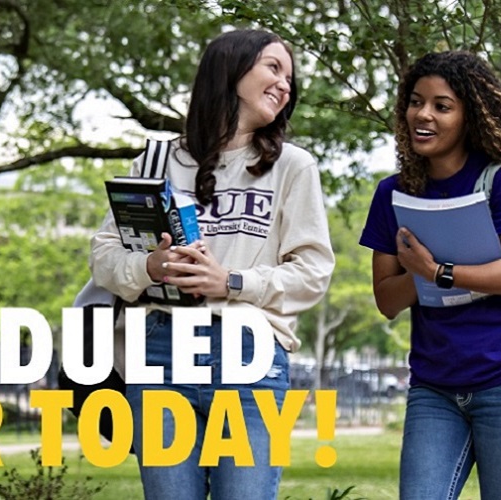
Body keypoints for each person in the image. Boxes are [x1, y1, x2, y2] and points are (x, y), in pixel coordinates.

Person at [90, 29, 335, 500]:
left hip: (250, 353)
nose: (285, 84)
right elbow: (103, 256)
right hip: (160, 351)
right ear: (231, 70)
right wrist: (152, 266)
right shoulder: (157, 160)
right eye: (273, 67)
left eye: (290, 76)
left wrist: (231, 280)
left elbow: (312, 272)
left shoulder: (292, 166)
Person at [358, 51, 501, 499]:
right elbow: (387, 300)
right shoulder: (392, 194)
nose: (422, 114)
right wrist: (420, 274)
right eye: (415, 101)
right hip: (435, 388)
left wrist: (438, 270)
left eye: (441, 106)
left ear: (470, 117)